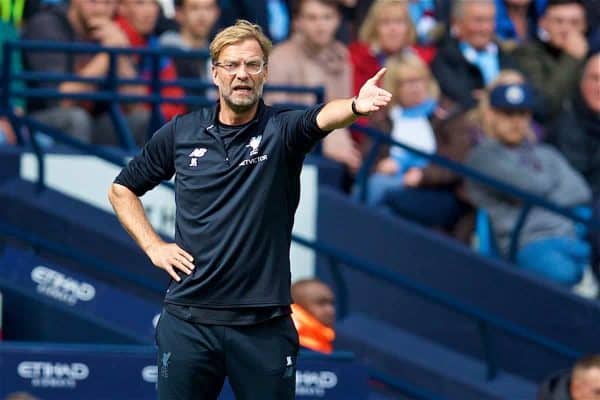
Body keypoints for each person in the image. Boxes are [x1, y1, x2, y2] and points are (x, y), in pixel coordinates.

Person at [108, 19, 391, 400]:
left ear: (265, 73)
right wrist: (153, 246)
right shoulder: (182, 131)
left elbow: (323, 116)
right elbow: (122, 189)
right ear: (215, 73)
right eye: (232, 65)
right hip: (189, 320)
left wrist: (356, 106)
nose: (242, 74)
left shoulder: (282, 129)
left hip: (264, 325)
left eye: (253, 65)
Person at [465, 81, 592, 288]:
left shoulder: (545, 153)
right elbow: (530, 187)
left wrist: (541, 195)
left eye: (522, 114)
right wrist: (551, 186)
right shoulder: (483, 155)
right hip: (526, 243)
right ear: (491, 115)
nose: (516, 122)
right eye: (507, 114)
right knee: (566, 276)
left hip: (571, 235)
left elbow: (580, 191)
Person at [357, 52, 475, 242]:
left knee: (376, 188)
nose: (415, 88)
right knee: (380, 198)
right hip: (393, 180)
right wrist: (379, 165)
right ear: (394, 87)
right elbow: (367, 157)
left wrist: (422, 175)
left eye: (419, 80)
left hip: (436, 189)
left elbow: (458, 159)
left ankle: (359, 235)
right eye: (407, 83)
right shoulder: (383, 117)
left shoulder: (449, 115)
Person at [22, 0, 143, 144]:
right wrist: (108, 55)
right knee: (76, 119)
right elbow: (60, 100)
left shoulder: (111, 32)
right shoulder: (46, 25)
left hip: (93, 121)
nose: (100, 9)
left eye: (108, 3)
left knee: (141, 120)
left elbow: (134, 103)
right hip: (42, 119)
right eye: (93, 1)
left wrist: (121, 55)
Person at [267, 0, 361, 174]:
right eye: (312, 18)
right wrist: (324, 145)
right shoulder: (279, 58)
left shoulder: (342, 55)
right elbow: (276, 121)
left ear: (338, 20)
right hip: (292, 155)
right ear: (298, 22)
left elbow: (345, 114)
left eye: (327, 17)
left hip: (338, 151)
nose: (320, 25)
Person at [431, 0, 516, 110]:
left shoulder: (507, 53)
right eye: (478, 21)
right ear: (457, 23)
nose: (486, 28)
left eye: (490, 20)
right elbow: (462, 99)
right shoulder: (445, 58)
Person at [512, 0, 589, 121]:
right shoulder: (527, 54)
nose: (566, 29)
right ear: (543, 23)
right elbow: (544, 106)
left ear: (584, 25)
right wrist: (571, 58)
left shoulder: (593, 59)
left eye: (574, 23)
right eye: (559, 21)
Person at [159, 0, 220, 103]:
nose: (202, 15)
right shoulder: (167, 48)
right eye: (194, 8)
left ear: (217, 12)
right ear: (179, 13)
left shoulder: (218, 51)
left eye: (208, 8)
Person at [291, 278, 336, 354]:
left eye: (331, 303)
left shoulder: (336, 341)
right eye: (321, 303)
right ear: (298, 306)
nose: (331, 310)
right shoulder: (285, 345)